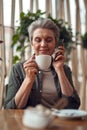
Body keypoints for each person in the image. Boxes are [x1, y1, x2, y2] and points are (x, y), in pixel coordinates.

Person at [4, 18, 80, 109]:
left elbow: (73, 105)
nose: (43, 44)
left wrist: (60, 70)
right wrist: (28, 79)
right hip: (28, 122)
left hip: (57, 121)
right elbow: (10, 108)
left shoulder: (65, 69)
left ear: (55, 43)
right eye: (38, 40)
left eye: (48, 40)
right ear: (32, 43)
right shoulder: (18, 69)